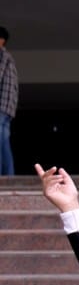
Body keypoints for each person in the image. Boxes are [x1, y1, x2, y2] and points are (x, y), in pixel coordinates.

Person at [0, 25, 17, 176]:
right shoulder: (9, 58)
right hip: (7, 108)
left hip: (1, 106)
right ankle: (9, 176)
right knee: (3, 143)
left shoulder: (2, 55)